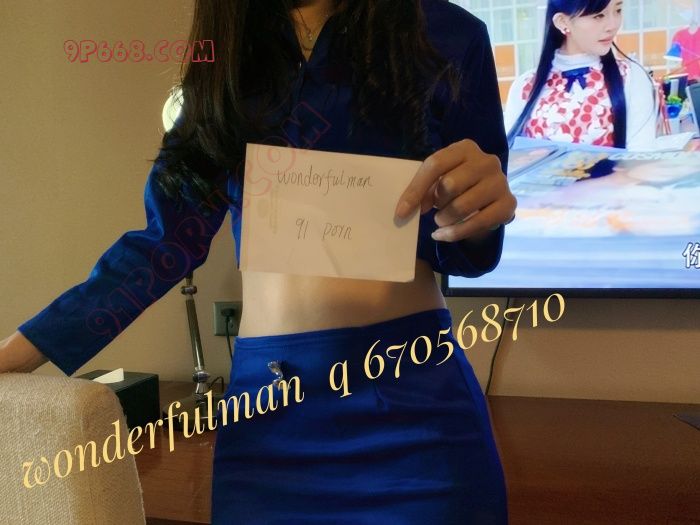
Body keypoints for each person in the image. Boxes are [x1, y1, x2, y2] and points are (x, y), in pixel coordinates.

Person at [0, 0, 517, 523]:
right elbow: (164, 243)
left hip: (417, 411)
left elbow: (472, 253)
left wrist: (477, 214)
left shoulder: (447, 35)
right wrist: (19, 351)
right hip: (269, 420)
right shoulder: (228, 56)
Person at [504, 0, 659, 151]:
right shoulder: (525, 86)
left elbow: (640, 159)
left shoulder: (632, 77)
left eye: (618, 10)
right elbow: (510, 158)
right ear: (562, 22)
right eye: (598, 15)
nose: (613, 25)